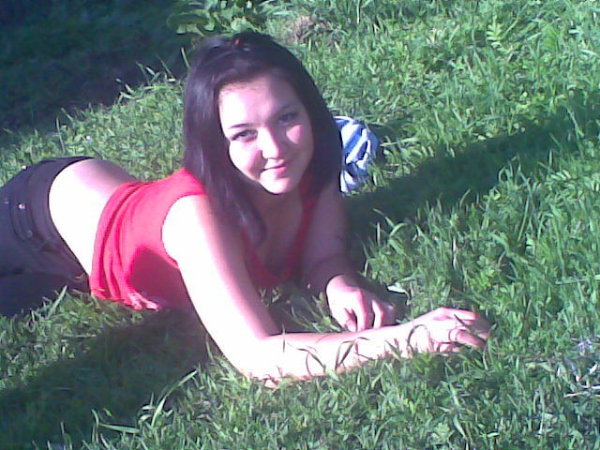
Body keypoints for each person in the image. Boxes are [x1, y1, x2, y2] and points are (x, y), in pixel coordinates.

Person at [0, 32, 490, 384]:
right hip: (37, 219)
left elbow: (322, 254)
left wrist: (337, 282)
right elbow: (259, 357)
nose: (276, 148)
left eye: (287, 117)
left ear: (311, 111)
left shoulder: (313, 159)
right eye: (244, 134)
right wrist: (405, 339)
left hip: (103, 212)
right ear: (215, 143)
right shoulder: (198, 217)